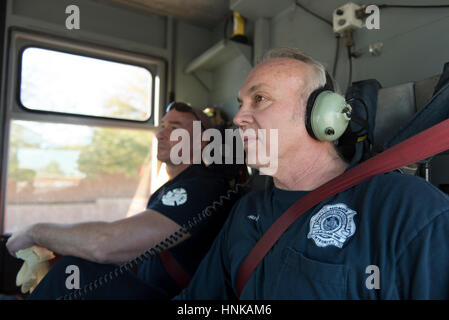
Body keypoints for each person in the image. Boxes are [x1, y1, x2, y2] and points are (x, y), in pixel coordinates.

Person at [174, 47, 449, 299]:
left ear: (323, 115)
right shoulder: (246, 212)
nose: (238, 118)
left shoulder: (408, 208)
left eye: (260, 99)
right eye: (241, 103)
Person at [6, 102, 241, 299]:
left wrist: (35, 231)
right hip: (148, 287)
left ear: (201, 142)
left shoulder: (202, 188)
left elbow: (106, 244)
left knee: (74, 270)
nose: (160, 134)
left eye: (174, 128)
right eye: (162, 127)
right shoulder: (175, 187)